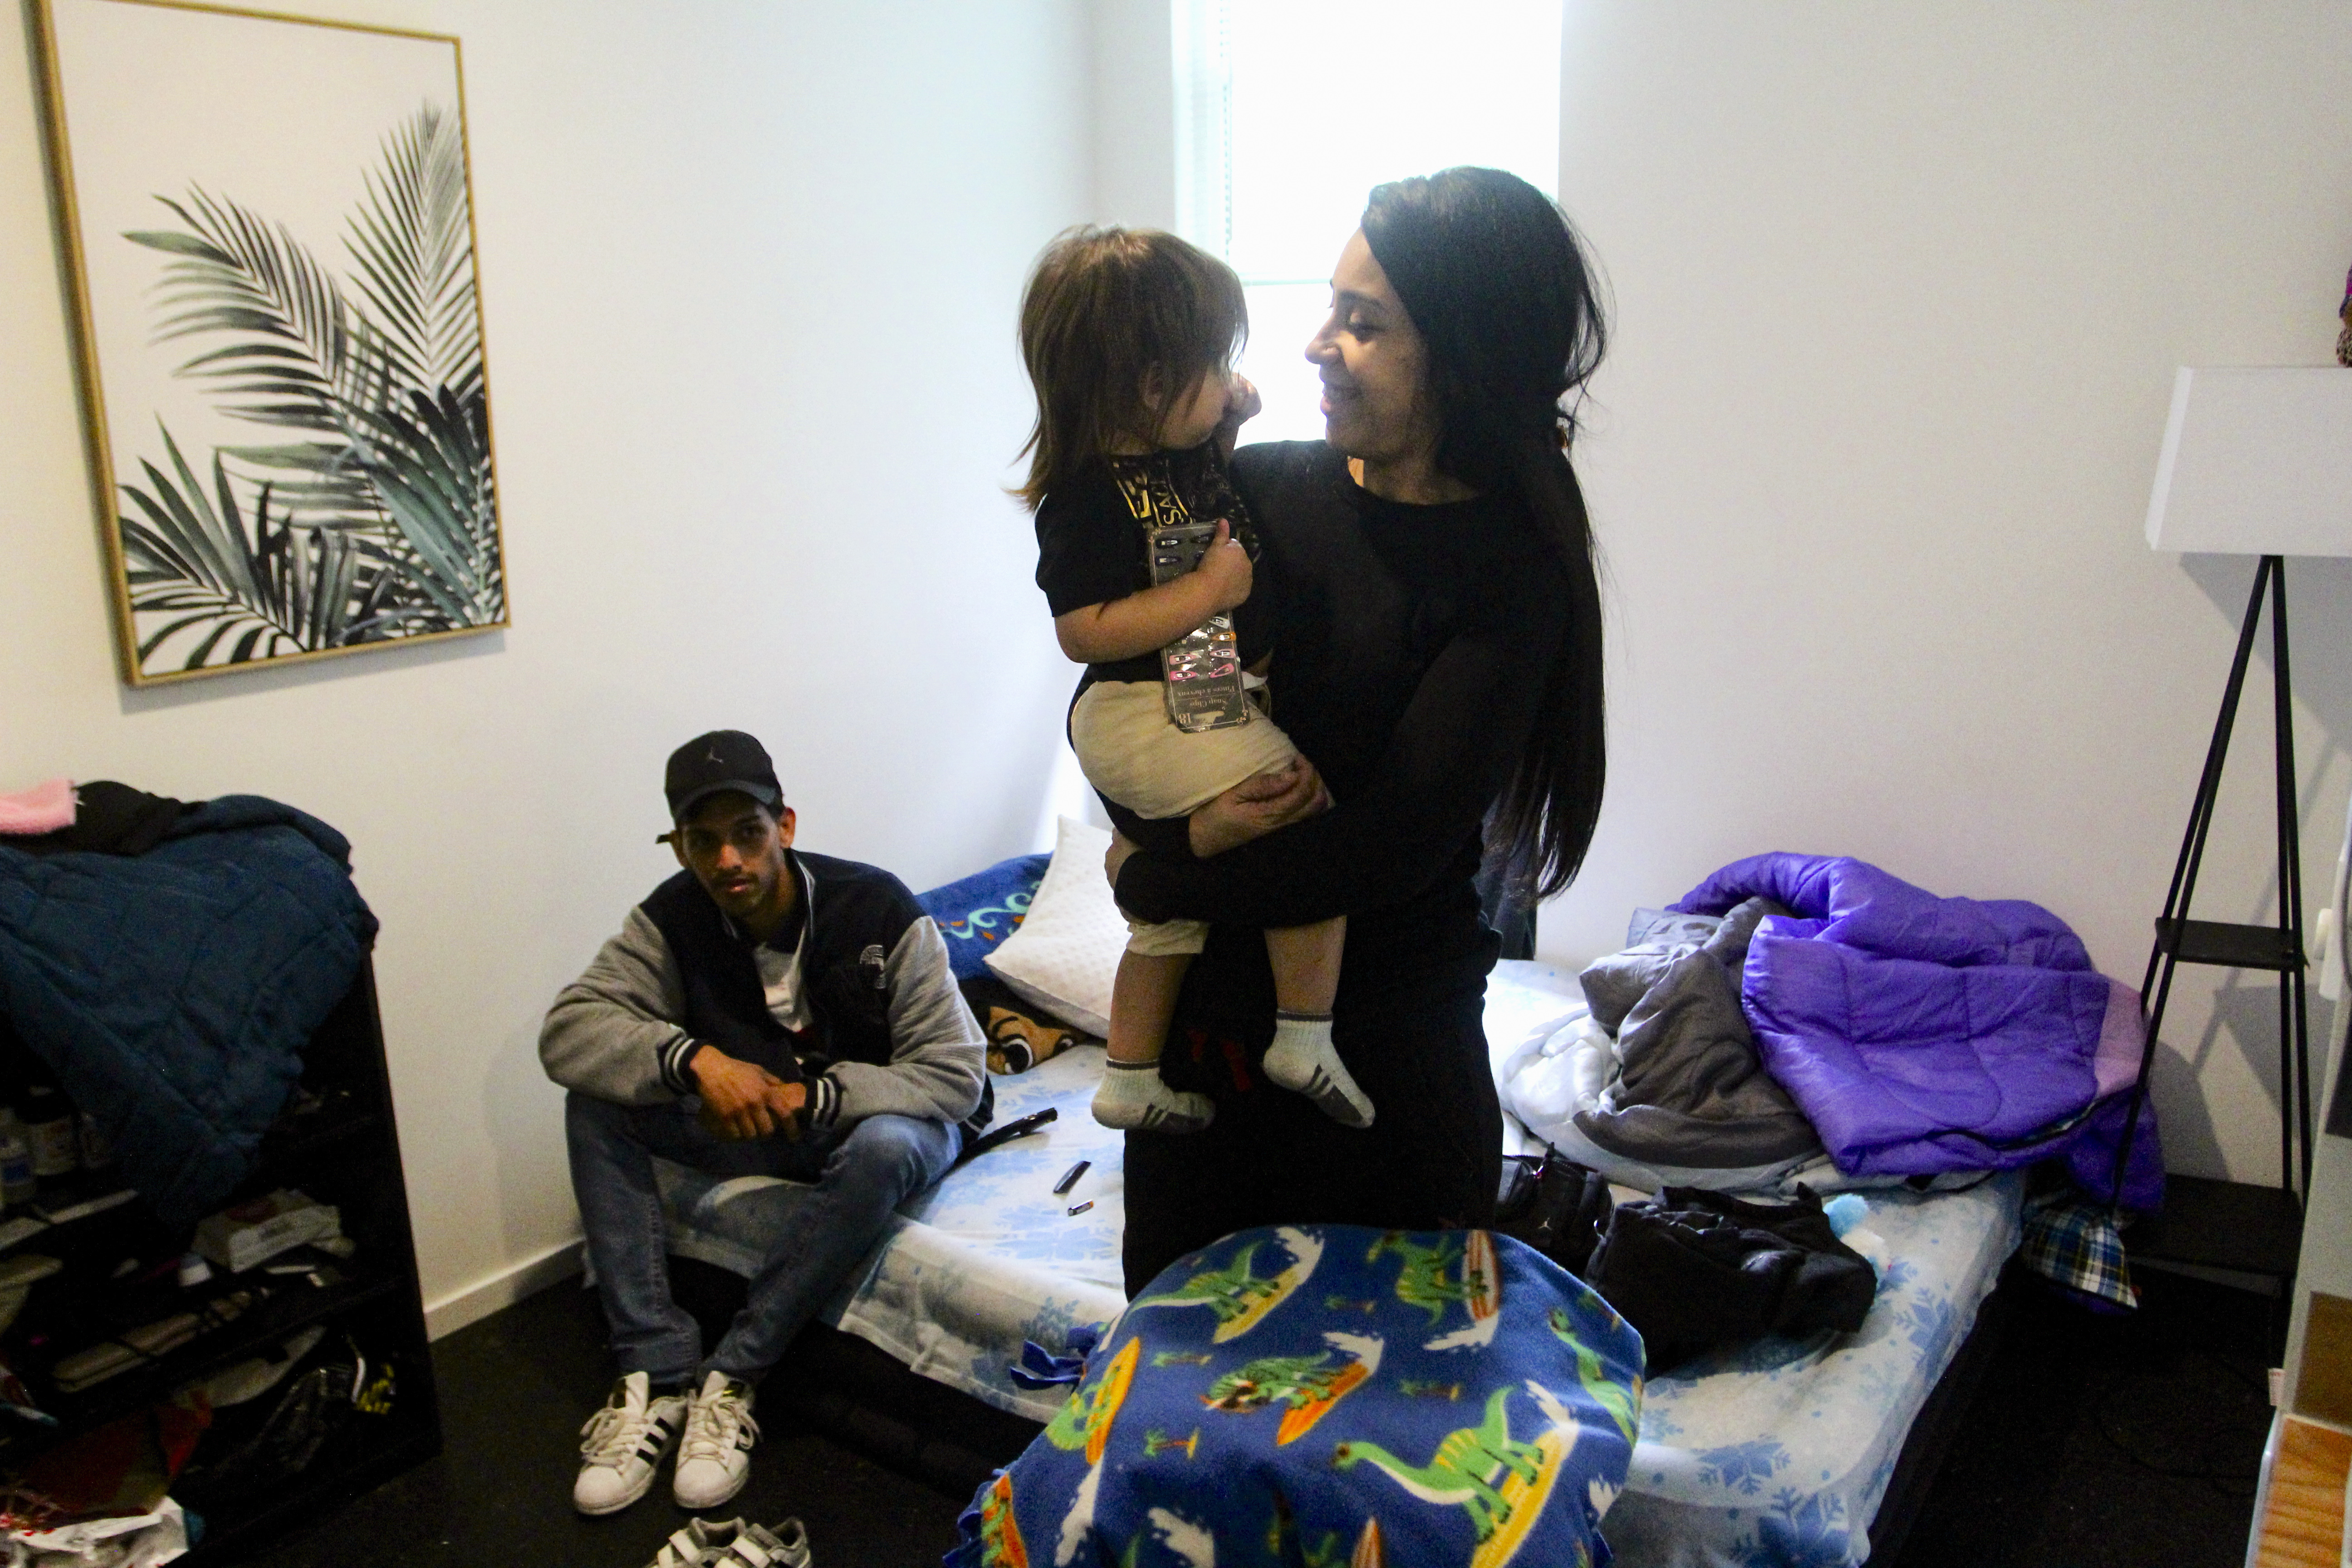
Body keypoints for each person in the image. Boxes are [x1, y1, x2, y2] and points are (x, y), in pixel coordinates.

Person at [1103, 167, 1610, 1292]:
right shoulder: (1255, 495)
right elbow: (1137, 703)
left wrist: (1159, 872)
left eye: (1363, 323)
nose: (1316, 345)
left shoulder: (1512, 574)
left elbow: (1387, 851)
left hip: (1384, 1089)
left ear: (1465, 356)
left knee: (1387, 1399)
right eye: (1331, 309)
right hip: (1202, 1075)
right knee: (1179, 1392)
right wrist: (1168, 831)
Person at [540, 730, 986, 1514]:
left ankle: (735, 1374)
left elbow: (955, 1075)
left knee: (884, 1149)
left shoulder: (878, 907)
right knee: (597, 1103)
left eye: (747, 833)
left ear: (785, 826)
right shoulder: (671, 920)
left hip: (884, 1120)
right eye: (702, 842)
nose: (728, 861)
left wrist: (819, 1099)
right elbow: (568, 1032)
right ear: (679, 848)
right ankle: (655, 1371)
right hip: (760, 1126)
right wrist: (694, 1061)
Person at [1014, 225, 1371, 1137]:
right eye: (1214, 364)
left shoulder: (1171, 455)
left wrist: (1228, 418)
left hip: (1193, 692)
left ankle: (1129, 1077)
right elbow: (1083, 631)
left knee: (1168, 926)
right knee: (1303, 811)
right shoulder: (1087, 494)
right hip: (1139, 709)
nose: (1229, 379)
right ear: (1148, 384)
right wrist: (1209, 593)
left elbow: (1207, 494)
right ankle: (1304, 1034)